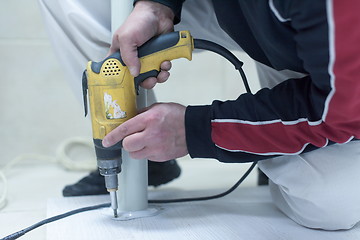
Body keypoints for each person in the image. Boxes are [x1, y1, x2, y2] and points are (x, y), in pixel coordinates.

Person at [39, 0, 360, 231]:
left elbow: (342, 111)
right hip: (241, 11)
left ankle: (275, 153)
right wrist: (157, 4)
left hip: (325, 71)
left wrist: (194, 131)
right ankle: (139, 162)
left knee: (332, 202)